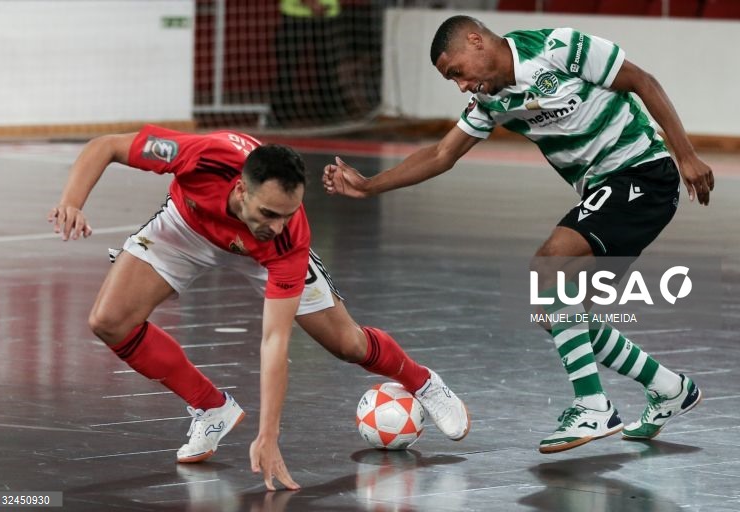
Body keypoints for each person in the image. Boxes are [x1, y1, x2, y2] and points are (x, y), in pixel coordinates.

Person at [323, 15, 713, 454]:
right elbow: (442, 153)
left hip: (641, 171)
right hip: (605, 190)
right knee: (559, 315)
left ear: (477, 41)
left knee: (547, 265)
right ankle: (669, 388)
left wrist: (687, 156)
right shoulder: (492, 100)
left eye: (457, 72)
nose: (461, 86)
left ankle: (592, 405)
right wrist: (370, 185)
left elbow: (642, 80)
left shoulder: (558, 48)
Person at [47, 124, 469, 491]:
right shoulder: (202, 157)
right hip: (188, 225)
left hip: (263, 256)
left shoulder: (284, 237)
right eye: (270, 212)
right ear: (240, 188)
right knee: (109, 321)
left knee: (346, 344)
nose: (278, 224)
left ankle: (422, 381)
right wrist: (72, 200)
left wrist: (269, 435)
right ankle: (211, 407)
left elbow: (274, 340)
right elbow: (106, 146)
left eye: (288, 213)